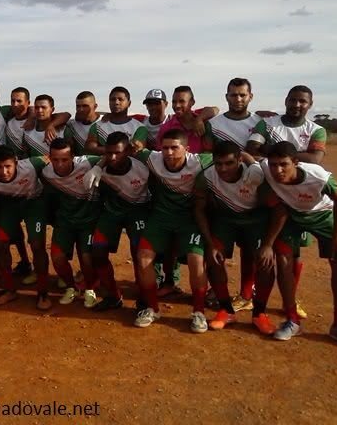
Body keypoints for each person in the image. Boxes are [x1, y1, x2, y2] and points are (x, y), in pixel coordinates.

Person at [259, 141, 337, 347]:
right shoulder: (266, 168)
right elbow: (249, 158)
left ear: (295, 162)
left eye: (284, 164)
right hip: (291, 217)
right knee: (283, 261)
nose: (278, 170)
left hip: (321, 214)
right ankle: (292, 320)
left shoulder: (318, 177)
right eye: (273, 165)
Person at [247, 85, 327, 318]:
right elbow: (252, 147)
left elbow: (315, 159)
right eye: (293, 100)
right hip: (272, 192)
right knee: (265, 248)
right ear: (286, 100)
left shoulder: (317, 130)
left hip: (300, 195)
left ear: (310, 104)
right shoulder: (267, 124)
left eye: (302, 101)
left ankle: (290, 300)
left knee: (295, 252)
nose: (297, 105)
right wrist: (293, 156)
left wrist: (273, 152)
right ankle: (251, 297)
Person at [193, 141, 277, 334]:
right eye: (219, 163)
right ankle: (226, 310)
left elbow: (277, 208)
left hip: (256, 219)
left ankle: (259, 313)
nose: (223, 169)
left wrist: (268, 244)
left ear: (239, 160)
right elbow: (199, 209)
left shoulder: (256, 175)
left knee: (266, 262)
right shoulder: (207, 176)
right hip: (226, 218)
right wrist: (210, 243)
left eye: (229, 163)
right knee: (213, 258)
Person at [134, 129, 212, 333]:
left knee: (196, 260)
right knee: (143, 257)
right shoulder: (153, 158)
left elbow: (234, 156)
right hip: (161, 217)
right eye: (165, 148)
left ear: (187, 149)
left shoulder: (200, 161)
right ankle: (152, 308)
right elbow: (129, 151)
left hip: (190, 219)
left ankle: (199, 312)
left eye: (174, 148)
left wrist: (251, 162)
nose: (168, 153)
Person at [83, 132, 151, 315]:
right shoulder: (99, 167)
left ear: (127, 151)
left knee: (139, 254)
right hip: (112, 211)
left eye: (118, 152)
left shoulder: (143, 167)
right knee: (97, 252)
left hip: (138, 211)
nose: (113, 157)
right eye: (109, 152)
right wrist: (97, 167)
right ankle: (113, 296)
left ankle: (144, 299)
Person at [0, 146, 51, 310]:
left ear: (16, 163)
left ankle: (43, 292)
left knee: (37, 245)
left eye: (8, 166)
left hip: (33, 203)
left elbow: (50, 158)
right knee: (0, 243)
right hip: (9, 205)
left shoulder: (31, 165)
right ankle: (9, 289)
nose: (4, 171)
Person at [41, 138, 101, 308]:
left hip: (89, 221)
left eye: (64, 159)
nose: (59, 164)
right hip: (65, 221)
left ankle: (90, 288)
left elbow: (108, 157)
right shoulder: (46, 173)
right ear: (49, 158)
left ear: (73, 157)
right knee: (57, 258)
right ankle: (71, 287)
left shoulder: (87, 162)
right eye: (55, 159)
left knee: (87, 258)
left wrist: (98, 167)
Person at [156, 86, 219, 153]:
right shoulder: (166, 128)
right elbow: (160, 154)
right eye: (174, 102)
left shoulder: (201, 116)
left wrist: (199, 119)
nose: (177, 105)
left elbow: (215, 109)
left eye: (182, 101)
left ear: (192, 102)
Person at [85, 86, 145, 155]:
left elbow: (136, 150)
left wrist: (107, 150)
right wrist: (119, 150)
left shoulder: (139, 127)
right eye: (112, 99)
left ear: (129, 103)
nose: (116, 102)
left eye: (120, 99)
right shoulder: (97, 126)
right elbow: (90, 148)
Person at [64, 91, 101, 156]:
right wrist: (51, 125)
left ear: (95, 106)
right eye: (78, 106)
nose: (81, 109)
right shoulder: (71, 124)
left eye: (85, 106)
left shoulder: (104, 122)